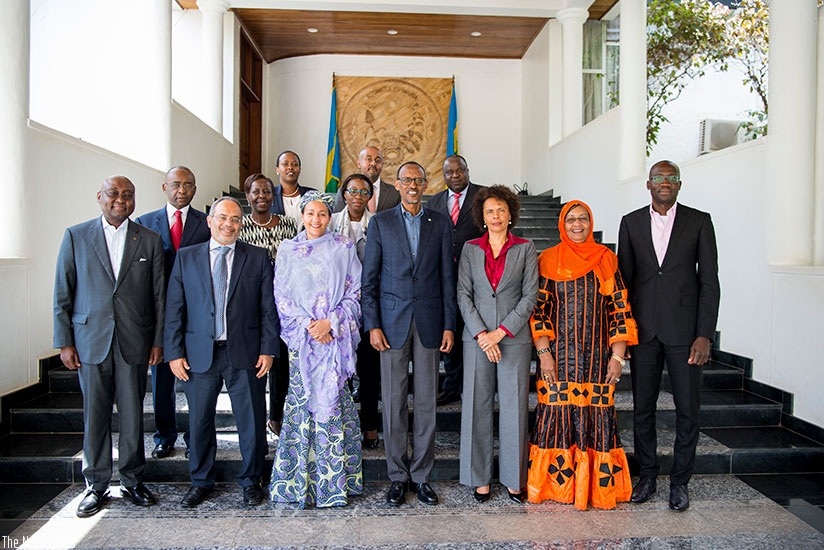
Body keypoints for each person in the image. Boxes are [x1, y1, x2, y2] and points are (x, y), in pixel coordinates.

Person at [54, 175, 164, 517]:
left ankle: (132, 480)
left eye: (128, 195)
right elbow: (63, 292)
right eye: (114, 194)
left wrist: (157, 341)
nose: (121, 199)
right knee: (95, 416)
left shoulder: (149, 239)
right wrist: (64, 341)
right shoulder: (76, 236)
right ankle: (96, 485)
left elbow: (159, 297)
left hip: (134, 341)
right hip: (90, 341)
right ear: (99, 196)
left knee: (132, 416)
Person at [618, 160, 720, 512]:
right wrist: (624, 334)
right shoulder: (630, 223)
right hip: (644, 333)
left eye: (671, 177)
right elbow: (624, 285)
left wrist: (705, 334)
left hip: (685, 334)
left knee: (687, 409)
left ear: (679, 184)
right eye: (658, 177)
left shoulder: (699, 221)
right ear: (648, 185)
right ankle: (647, 476)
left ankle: (680, 482)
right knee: (642, 408)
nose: (665, 182)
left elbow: (710, 282)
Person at [164, 197, 279, 509]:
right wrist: (174, 353)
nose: (229, 224)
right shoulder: (186, 257)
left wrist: (269, 349)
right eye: (223, 218)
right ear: (209, 221)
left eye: (236, 219)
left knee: (252, 421)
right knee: (199, 422)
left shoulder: (256, 257)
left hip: (245, 353)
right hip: (199, 355)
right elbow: (175, 309)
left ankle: (251, 480)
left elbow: (268, 309)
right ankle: (201, 481)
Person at [528, 200, 638, 510]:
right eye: (571, 219)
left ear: (591, 224)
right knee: (556, 419)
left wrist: (617, 357)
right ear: (562, 225)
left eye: (584, 219)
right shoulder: (548, 260)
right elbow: (538, 311)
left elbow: (620, 309)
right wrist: (545, 352)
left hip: (597, 361)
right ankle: (557, 489)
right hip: (558, 360)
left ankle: (596, 491)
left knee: (597, 420)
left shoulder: (606, 259)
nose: (578, 225)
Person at [362, 161, 456, 507]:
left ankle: (422, 475)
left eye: (418, 180)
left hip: (431, 323)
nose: (413, 186)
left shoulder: (441, 223)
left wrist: (449, 324)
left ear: (425, 184)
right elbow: (368, 281)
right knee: (394, 401)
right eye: (407, 181)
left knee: (428, 401)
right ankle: (398, 476)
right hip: (391, 325)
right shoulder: (381, 223)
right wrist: (372, 324)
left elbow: (448, 279)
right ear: (397, 185)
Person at [269, 191, 363, 508]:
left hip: (334, 343)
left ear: (330, 217)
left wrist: (331, 322)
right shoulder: (288, 250)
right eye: (310, 213)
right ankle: (297, 485)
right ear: (302, 215)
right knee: (302, 405)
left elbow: (355, 292)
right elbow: (281, 297)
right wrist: (310, 325)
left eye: (322, 214)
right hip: (303, 343)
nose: (316, 220)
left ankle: (334, 484)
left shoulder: (343, 248)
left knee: (334, 405)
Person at [457, 185, 538, 503]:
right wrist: (481, 334)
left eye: (501, 210)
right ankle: (479, 478)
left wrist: (500, 332)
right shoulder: (470, 249)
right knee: (476, 406)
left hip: (513, 340)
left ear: (511, 214)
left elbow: (529, 296)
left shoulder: (526, 248)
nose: (496, 216)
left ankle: (513, 478)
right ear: (482, 216)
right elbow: (463, 294)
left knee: (515, 408)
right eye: (490, 211)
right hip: (476, 339)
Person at [135, 166, 210, 460]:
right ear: (164, 187)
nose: (182, 190)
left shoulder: (205, 223)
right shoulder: (144, 223)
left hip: (196, 314)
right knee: (162, 380)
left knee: (194, 381)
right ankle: (165, 436)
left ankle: (194, 435)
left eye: (189, 185)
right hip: (159, 314)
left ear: (195, 188)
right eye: (176, 185)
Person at [238, 172, 298, 438]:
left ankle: (276, 418)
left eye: (266, 192)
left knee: (281, 366)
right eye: (256, 192)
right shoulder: (239, 226)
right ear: (248, 195)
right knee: (254, 365)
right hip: (249, 306)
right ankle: (255, 422)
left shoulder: (287, 225)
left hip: (283, 307)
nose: (261, 196)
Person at [427, 154, 484, 406]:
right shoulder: (436, 200)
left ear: (467, 170)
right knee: (449, 329)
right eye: (449, 173)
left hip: (477, 275)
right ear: (444, 175)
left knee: (473, 330)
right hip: (444, 277)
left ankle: (474, 385)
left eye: (459, 171)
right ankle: (451, 385)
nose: (455, 176)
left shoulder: (483, 196)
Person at [330, 174, 380, 449]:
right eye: (353, 190)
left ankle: (371, 427)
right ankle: (343, 429)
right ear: (344, 194)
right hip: (338, 311)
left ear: (370, 195)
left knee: (369, 372)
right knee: (340, 372)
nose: (358, 195)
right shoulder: (330, 222)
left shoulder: (379, 224)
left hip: (368, 308)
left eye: (364, 191)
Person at [333, 145, 400, 213]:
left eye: (378, 160)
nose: (373, 163)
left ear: (382, 164)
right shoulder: (345, 191)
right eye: (369, 159)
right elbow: (337, 219)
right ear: (359, 163)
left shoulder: (395, 192)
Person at [269, 150, 316, 230]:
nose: (290, 167)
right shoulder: (269, 195)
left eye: (295, 164)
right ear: (277, 170)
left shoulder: (312, 195)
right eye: (285, 164)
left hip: (308, 241)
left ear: (299, 170)